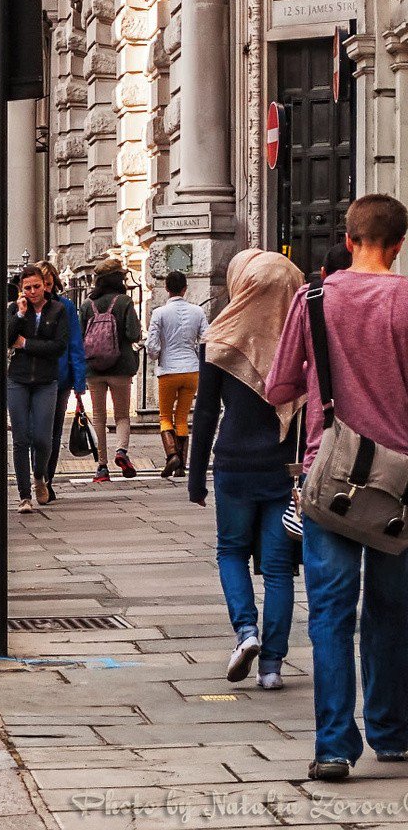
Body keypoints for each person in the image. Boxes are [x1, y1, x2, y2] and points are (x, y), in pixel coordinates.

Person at [265, 194, 408, 782]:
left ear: (348, 241)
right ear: (398, 246)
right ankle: (391, 731)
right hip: (400, 485)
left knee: (329, 611)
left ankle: (333, 746)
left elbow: (278, 387)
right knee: (392, 610)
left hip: (329, 478)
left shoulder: (314, 299)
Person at [187, 249, 304, 692]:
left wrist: (195, 476)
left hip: (234, 464)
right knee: (278, 569)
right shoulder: (301, 341)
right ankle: (272, 666)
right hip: (283, 467)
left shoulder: (219, 338)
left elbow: (205, 413)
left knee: (231, 551)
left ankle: (246, 631)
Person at [7, 265, 68, 512]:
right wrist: (20, 315)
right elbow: (6, 339)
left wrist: (26, 344)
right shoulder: (15, 309)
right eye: (27, 288)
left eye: (36, 287)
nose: (32, 292)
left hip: (46, 380)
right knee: (20, 438)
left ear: (45, 285)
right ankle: (24, 496)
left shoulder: (58, 310)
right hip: (18, 379)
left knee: (43, 438)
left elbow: (58, 346)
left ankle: (40, 476)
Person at [82, 262, 143, 483]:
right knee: (122, 415)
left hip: (93, 368)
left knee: (98, 417)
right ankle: (121, 451)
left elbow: (80, 336)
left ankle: (101, 467)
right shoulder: (124, 301)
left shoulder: (87, 304)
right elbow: (133, 334)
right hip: (121, 367)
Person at [149, 269, 208, 480]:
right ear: (185, 288)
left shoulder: (159, 313)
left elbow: (152, 345)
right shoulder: (197, 312)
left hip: (168, 370)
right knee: (182, 417)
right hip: (191, 370)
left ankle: (172, 454)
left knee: (165, 416)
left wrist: (157, 356)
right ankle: (182, 465)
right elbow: (205, 339)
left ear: (166, 288)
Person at [38, 261, 87, 497]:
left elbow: (75, 343)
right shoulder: (26, 307)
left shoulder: (65, 307)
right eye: (42, 284)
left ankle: (46, 480)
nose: (45, 290)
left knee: (54, 432)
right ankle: (37, 474)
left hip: (60, 378)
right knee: (37, 432)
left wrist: (79, 380)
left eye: (48, 284)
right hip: (34, 377)